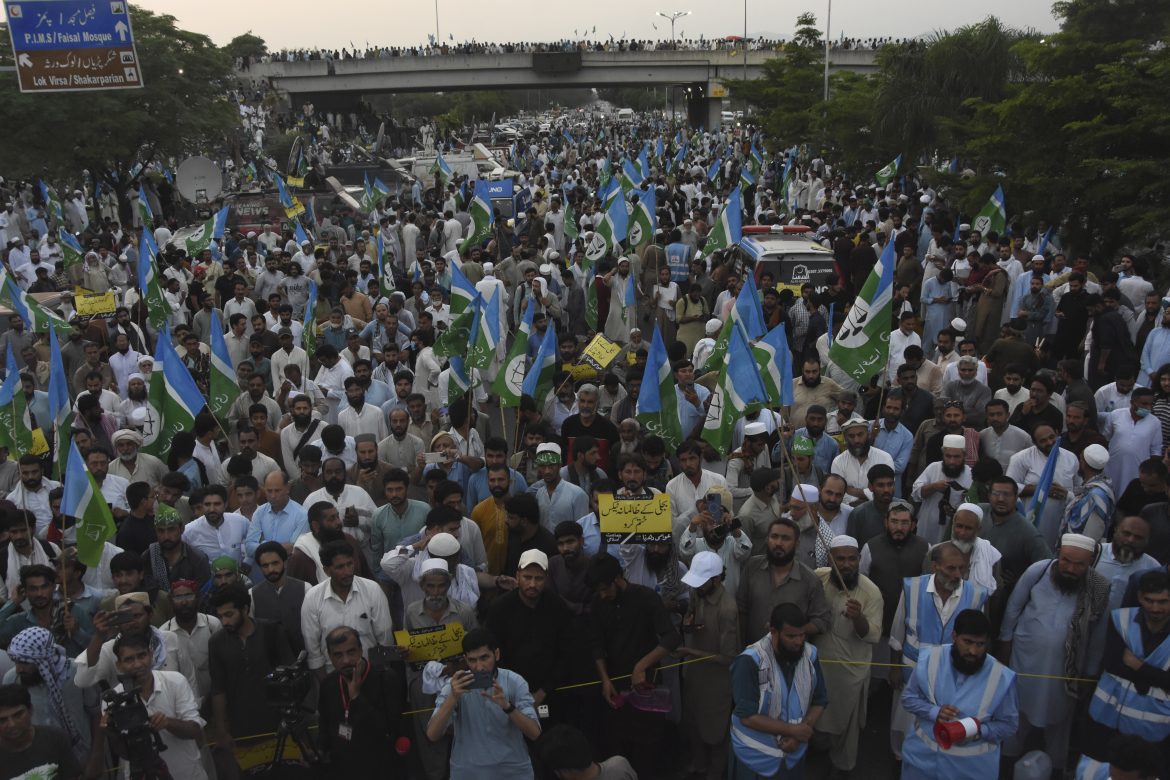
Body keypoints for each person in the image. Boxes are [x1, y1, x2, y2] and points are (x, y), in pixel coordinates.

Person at [998, 533, 1110, 774]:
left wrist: (1089, 675)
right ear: (1058, 554)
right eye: (1066, 560)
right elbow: (1013, 608)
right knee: (1016, 715)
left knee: (1060, 723)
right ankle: (1006, 765)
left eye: (1079, 564)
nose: (1070, 568)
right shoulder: (1038, 571)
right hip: (1025, 660)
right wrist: (1004, 647)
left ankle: (1056, 768)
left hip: (1066, 671)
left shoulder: (1097, 587)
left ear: (1089, 563)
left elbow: (1098, 636)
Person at [587, 552, 683, 778]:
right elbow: (596, 644)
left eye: (605, 589)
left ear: (618, 579)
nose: (602, 595)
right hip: (614, 689)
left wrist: (641, 666)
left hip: (646, 687)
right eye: (598, 591)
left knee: (647, 752)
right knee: (616, 748)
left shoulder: (646, 598)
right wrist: (605, 680)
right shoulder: (598, 603)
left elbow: (671, 638)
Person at [900, 609, 1019, 779]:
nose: (973, 651)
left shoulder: (1001, 677)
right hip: (922, 763)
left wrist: (980, 731)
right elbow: (909, 698)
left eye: (980, 644)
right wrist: (935, 712)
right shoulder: (931, 659)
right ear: (954, 636)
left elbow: (1009, 725)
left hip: (970, 770)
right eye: (968, 642)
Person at [728, 602, 828, 780]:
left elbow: (819, 700)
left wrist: (801, 732)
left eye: (802, 635)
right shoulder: (750, 661)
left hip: (793, 756)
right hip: (755, 759)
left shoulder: (810, 655)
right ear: (773, 631)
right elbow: (747, 716)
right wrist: (792, 730)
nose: (798, 642)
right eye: (791, 636)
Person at [426, 627, 541, 779]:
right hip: (468, 772)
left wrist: (507, 707)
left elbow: (535, 734)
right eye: (472, 660)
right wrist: (452, 698)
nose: (479, 667)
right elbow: (432, 735)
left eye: (484, 658)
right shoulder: (454, 686)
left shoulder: (515, 682)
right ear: (465, 660)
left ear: (497, 654)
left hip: (513, 770)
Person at [812, 535, 883, 779]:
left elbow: (873, 636)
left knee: (846, 728)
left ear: (859, 560)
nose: (846, 565)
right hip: (817, 667)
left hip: (849, 675)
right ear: (830, 559)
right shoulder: (818, 578)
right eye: (840, 559)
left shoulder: (870, 592)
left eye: (852, 559)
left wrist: (858, 618)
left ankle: (840, 767)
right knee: (815, 717)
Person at [99, 632, 207, 780]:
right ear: (119, 665)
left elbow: (195, 730)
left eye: (141, 656)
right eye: (129, 659)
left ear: (151, 655)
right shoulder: (113, 700)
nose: (137, 664)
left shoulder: (175, 681)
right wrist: (110, 731)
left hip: (186, 773)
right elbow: (124, 753)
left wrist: (167, 723)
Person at [207, 583, 294, 753]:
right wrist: (222, 730)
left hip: (277, 723)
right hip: (241, 727)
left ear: (245, 609)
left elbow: (290, 677)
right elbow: (218, 689)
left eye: (229, 615)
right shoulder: (216, 643)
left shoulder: (271, 632)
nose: (224, 621)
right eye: (220, 616)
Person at [677, 551, 739, 780]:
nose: (698, 587)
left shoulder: (727, 609)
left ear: (716, 579)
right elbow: (689, 620)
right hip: (693, 675)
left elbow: (728, 657)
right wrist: (687, 625)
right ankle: (699, 763)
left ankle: (715, 771)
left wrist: (690, 651)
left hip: (716, 682)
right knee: (693, 724)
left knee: (715, 730)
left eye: (702, 582)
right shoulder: (697, 593)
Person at [317, 626, 406, 779]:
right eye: (338, 655)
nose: (345, 660)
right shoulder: (328, 684)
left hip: (380, 765)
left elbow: (389, 731)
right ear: (330, 657)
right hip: (344, 767)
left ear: (360, 650)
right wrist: (320, 749)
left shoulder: (385, 678)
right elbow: (325, 725)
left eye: (351, 652)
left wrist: (357, 696)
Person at [2, 626, 96, 767]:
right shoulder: (12, 679)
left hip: (82, 755)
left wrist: (96, 757)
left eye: (25, 663)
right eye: (16, 661)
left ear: (44, 659)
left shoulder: (76, 672)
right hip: (39, 762)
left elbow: (97, 715)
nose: (18, 669)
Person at [301, 539, 393, 675]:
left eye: (350, 564)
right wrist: (325, 683)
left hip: (369, 672)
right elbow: (313, 650)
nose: (347, 572)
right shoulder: (312, 598)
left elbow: (384, 638)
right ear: (326, 570)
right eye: (340, 567)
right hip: (332, 675)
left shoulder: (372, 590)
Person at [737, 517, 831, 645]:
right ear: (767, 539)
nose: (778, 543)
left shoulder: (810, 580)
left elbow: (821, 621)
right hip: (754, 655)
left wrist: (795, 631)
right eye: (774, 537)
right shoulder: (752, 567)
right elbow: (741, 610)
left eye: (786, 538)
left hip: (791, 656)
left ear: (797, 543)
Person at [0, 683, 83, 779]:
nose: (12, 724)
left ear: (30, 710)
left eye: (18, 715)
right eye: (2, 720)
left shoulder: (55, 738)